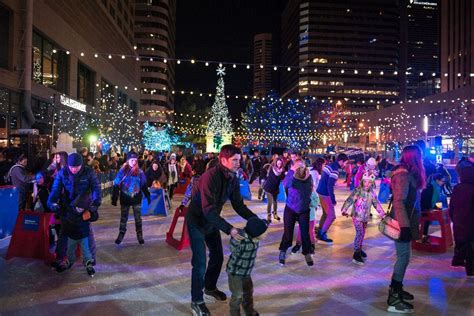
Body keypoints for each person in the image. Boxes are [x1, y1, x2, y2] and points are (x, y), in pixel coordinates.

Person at [185, 144, 258, 316]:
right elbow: (208, 210)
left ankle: (209, 287)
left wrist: (255, 220)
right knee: (200, 262)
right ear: (223, 160)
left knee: (217, 256)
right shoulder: (209, 177)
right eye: (235, 160)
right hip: (197, 221)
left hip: (212, 222)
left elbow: (238, 205)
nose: (238, 163)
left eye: (239, 160)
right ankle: (197, 301)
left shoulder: (232, 177)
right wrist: (229, 229)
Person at [386, 145, 425, 313]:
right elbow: (399, 201)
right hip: (402, 222)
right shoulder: (402, 173)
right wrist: (404, 226)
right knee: (403, 257)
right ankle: (393, 298)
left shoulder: (407, 172)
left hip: (406, 220)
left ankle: (398, 288)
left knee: (405, 256)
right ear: (414, 156)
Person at [47, 153, 102, 272]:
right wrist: (52, 202)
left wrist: (94, 205)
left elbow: (96, 189)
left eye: (76, 167)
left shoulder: (89, 172)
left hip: (83, 206)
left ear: (81, 165)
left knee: (87, 232)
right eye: (71, 167)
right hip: (68, 206)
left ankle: (91, 259)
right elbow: (55, 189)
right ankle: (60, 257)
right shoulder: (63, 172)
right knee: (64, 232)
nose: (74, 169)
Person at [341, 167, 386, 265]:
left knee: (363, 234)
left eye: (370, 182)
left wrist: (383, 214)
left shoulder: (372, 193)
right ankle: (356, 254)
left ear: (372, 183)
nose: (367, 184)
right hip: (357, 216)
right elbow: (350, 200)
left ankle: (359, 249)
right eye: (365, 182)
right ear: (362, 181)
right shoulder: (358, 190)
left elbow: (376, 204)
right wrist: (344, 209)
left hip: (365, 217)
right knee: (359, 233)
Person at [226, 217, 268, 316]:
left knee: (248, 293)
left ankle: (249, 311)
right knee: (237, 295)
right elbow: (233, 246)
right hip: (235, 273)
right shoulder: (243, 240)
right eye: (264, 232)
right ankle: (234, 314)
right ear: (257, 233)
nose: (266, 234)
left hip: (246, 273)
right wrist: (236, 235)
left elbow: (256, 223)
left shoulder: (255, 238)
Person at [278, 159, 314, 267]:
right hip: (290, 208)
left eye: (302, 167)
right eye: (298, 167)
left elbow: (307, 190)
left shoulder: (309, 178)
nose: (300, 169)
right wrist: (292, 171)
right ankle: (283, 250)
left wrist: (306, 177)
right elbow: (285, 184)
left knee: (305, 233)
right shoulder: (292, 177)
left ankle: (307, 253)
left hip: (303, 209)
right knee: (288, 232)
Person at [112, 152, 151, 245]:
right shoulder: (122, 171)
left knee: (138, 218)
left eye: (135, 160)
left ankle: (139, 233)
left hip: (136, 198)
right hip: (125, 198)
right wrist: (114, 197)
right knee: (123, 217)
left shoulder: (140, 172)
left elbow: (144, 185)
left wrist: (147, 195)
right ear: (128, 160)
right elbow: (116, 184)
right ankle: (121, 232)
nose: (134, 162)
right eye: (132, 160)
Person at [316, 153, 349, 243]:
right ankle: (322, 233)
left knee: (326, 214)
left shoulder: (330, 165)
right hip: (325, 194)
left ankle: (320, 230)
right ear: (341, 161)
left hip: (320, 191)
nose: (345, 165)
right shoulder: (335, 170)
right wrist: (333, 199)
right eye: (345, 163)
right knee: (331, 215)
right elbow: (330, 186)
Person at [449, 166, 474, 277]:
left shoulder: (458, 188)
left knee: (462, 240)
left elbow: (452, 205)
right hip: (470, 219)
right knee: (470, 243)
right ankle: (470, 268)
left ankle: (458, 259)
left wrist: (453, 217)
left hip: (459, 218)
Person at [420, 173, 445, 242]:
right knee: (425, 222)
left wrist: (438, 209)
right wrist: (429, 208)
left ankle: (425, 236)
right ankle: (423, 237)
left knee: (428, 222)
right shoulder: (430, 186)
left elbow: (437, 199)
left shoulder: (437, 187)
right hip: (425, 208)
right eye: (442, 181)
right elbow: (425, 199)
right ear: (437, 180)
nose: (443, 183)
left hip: (430, 208)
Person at [262, 157, 285, 223]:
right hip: (268, 188)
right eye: (278, 163)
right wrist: (282, 175)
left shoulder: (282, 170)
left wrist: (285, 175)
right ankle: (269, 216)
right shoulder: (272, 169)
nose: (279, 165)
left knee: (275, 202)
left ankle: (275, 214)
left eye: (280, 163)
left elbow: (282, 178)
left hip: (275, 188)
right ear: (275, 163)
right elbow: (275, 178)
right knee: (270, 202)